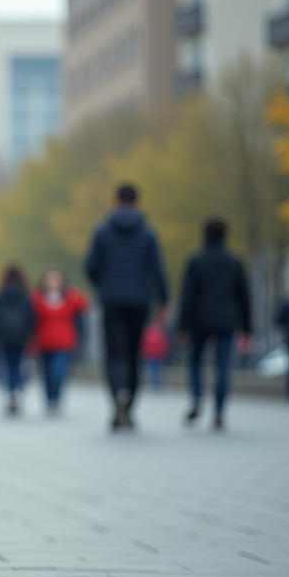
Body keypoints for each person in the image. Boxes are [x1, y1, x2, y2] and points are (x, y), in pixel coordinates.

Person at [84, 183, 168, 431]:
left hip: (111, 300)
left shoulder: (102, 231)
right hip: (139, 300)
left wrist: (102, 284)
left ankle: (117, 395)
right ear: (138, 202)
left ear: (114, 201)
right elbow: (157, 270)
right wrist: (162, 301)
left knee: (113, 354)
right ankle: (129, 406)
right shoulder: (148, 233)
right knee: (133, 355)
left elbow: (90, 265)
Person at [176, 217, 251, 430]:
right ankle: (219, 411)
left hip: (199, 320)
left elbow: (187, 296)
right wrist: (247, 329)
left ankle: (197, 397)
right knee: (223, 366)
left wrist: (182, 327)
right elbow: (243, 297)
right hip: (227, 321)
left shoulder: (195, 261)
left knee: (195, 362)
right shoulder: (234, 262)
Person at [31, 270, 89, 414]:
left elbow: (84, 304)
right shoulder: (38, 298)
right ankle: (50, 398)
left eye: (56, 279)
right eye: (50, 279)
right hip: (44, 343)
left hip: (64, 343)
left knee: (59, 372)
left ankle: (56, 398)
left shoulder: (70, 299)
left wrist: (73, 290)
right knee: (47, 374)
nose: (53, 283)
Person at [0, 266, 36, 416]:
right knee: (18, 364)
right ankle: (18, 392)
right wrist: (29, 334)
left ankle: (10, 394)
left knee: (8, 365)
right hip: (20, 336)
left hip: (4, 337)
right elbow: (31, 317)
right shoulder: (25, 296)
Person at [140, 310, 171, 391]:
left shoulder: (162, 329)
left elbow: (165, 343)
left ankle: (156, 386)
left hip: (157, 354)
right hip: (149, 353)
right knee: (149, 371)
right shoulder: (150, 329)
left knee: (157, 371)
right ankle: (150, 385)